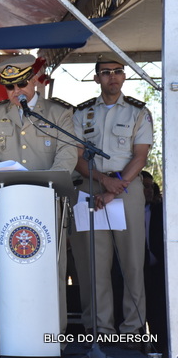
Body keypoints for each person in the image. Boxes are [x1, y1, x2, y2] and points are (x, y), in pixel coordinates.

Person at [0, 54, 77, 338]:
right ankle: (15, 336)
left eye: (21, 84)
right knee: (11, 271)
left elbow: (67, 154)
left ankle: (53, 337)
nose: (16, 92)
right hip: (8, 204)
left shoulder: (58, 113)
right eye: (10, 87)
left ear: (35, 80)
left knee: (52, 273)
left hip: (47, 202)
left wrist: (49, 187)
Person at [70, 54, 153, 347]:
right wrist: (103, 183)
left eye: (118, 71)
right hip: (90, 189)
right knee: (93, 265)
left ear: (124, 76)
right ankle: (99, 330)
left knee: (132, 262)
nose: (113, 77)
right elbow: (76, 157)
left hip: (126, 191)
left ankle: (132, 329)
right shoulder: (81, 114)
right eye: (106, 72)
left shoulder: (138, 112)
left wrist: (115, 187)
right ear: (96, 78)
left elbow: (140, 155)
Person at [141, 170, 166, 355]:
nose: (148, 191)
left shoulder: (161, 209)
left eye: (151, 187)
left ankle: (162, 348)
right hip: (137, 271)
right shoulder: (126, 210)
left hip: (158, 270)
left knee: (159, 313)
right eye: (144, 187)